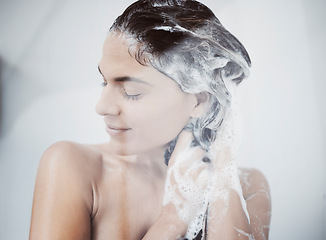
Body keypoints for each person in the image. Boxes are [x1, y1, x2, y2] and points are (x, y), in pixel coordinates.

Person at [29, 0, 271, 239]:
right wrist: (171, 220)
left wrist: (222, 165)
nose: (101, 107)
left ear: (198, 101)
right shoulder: (74, 167)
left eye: (132, 92)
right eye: (104, 82)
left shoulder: (248, 186)